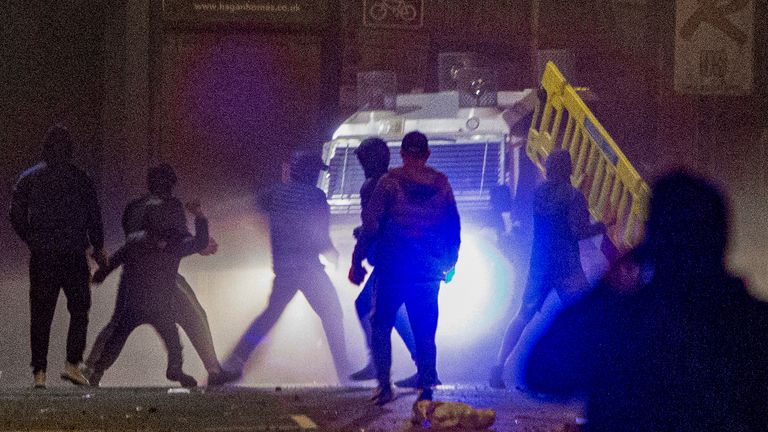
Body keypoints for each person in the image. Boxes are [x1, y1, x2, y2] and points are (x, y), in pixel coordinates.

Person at [524, 171, 768, 432]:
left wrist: (607, 288)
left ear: (652, 240)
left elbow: (541, 372)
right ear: (722, 238)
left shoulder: (624, 321)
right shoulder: (753, 324)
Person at [84, 164, 237, 386]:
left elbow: (130, 245)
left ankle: (91, 370)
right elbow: (176, 239)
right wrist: (197, 242)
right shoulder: (170, 206)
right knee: (193, 316)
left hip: (134, 276)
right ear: (170, 185)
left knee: (118, 325)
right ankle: (211, 369)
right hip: (164, 277)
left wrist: (104, 271)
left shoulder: (133, 207)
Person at [349, 131, 461, 405]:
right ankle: (426, 387)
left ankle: (385, 387)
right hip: (427, 272)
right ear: (427, 154)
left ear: (402, 154)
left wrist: (357, 260)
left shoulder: (389, 183)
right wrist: (450, 263)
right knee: (425, 329)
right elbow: (453, 227)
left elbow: (372, 225)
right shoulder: (441, 184)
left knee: (381, 325)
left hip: (394, 269)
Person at [223, 151, 350, 382]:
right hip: (309, 269)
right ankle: (345, 372)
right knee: (332, 312)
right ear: (309, 173)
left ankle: (235, 361)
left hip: (284, 268)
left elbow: (257, 204)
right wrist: (332, 253)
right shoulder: (316, 197)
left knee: (270, 314)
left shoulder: (275, 194)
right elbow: (320, 237)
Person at [489, 149, 604, 389]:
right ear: (569, 169)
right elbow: (578, 231)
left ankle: (498, 368)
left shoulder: (539, 195)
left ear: (549, 169)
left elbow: (552, 209)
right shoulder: (574, 197)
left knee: (523, 315)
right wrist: (604, 225)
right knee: (586, 315)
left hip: (539, 264)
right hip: (567, 266)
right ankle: (596, 373)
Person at [9, 124, 107, 388]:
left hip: (43, 255)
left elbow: (15, 214)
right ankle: (71, 364)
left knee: (41, 314)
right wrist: (97, 248)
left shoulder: (29, 177)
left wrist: (32, 238)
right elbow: (93, 215)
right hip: (74, 253)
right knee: (79, 307)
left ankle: (39, 373)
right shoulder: (81, 178)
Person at [87, 198, 210, 386]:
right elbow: (200, 243)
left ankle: (97, 371)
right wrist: (199, 216)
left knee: (118, 337)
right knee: (172, 340)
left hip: (135, 304)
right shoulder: (172, 244)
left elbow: (114, 261)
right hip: (159, 306)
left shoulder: (137, 243)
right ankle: (174, 368)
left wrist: (98, 276)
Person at [348, 137, 422, 388]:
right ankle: (422, 366)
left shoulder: (371, 186)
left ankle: (381, 366)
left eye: (362, 160)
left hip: (390, 259)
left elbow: (373, 224)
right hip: (404, 256)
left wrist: (357, 257)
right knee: (393, 311)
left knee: (366, 306)